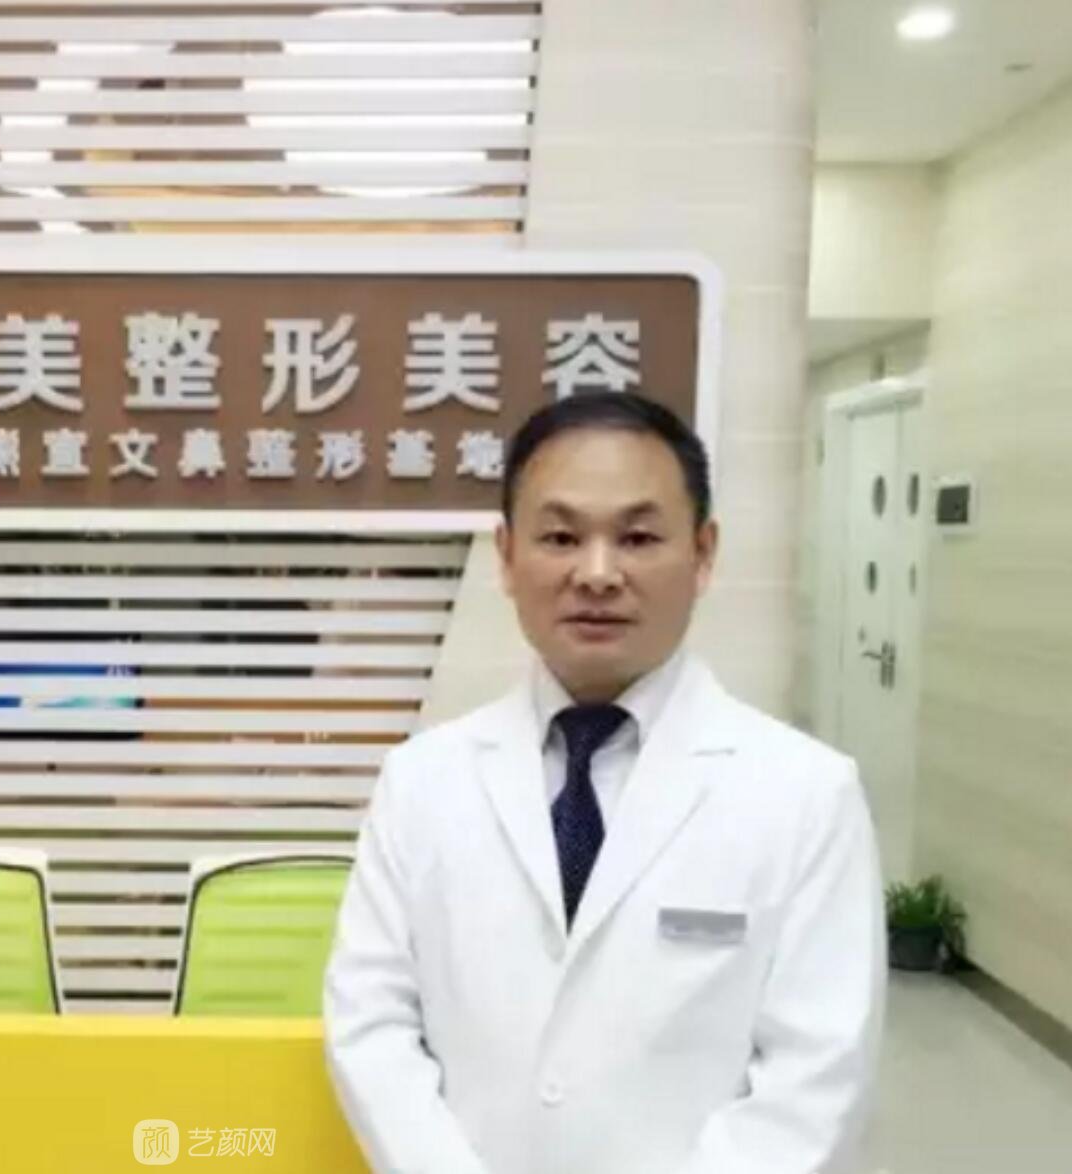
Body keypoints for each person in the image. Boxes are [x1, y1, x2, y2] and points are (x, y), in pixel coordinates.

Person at [324, 392, 885, 1174]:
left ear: (703, 553)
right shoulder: (421, 780)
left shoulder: (807, 795)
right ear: (507, 556)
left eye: (638, 537)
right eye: (560, 537)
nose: (597, 573)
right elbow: (371, 1023)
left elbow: (814, 1082)